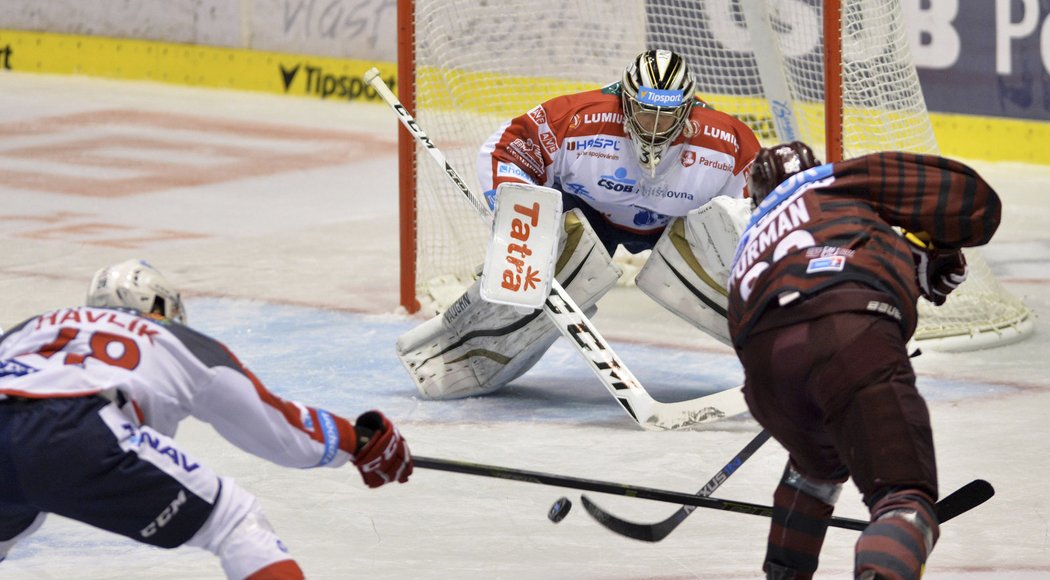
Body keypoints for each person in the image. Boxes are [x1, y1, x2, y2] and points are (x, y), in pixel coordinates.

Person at [0, 259, 412, 579]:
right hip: (80, 427)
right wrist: (361, 442)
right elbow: (279, 429)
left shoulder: (34, 327)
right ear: (159, 306)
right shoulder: (178, 339)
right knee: (234, 522)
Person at [398, 49, 761, 399]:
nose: (653, 126)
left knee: (733, 248)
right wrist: (516, 211)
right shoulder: (578, 117)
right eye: (645, 112)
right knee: (543, 259)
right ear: (625, 101)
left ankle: (782, 356)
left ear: (687, 110)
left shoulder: (726, 140)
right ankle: (466, 353)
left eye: (666, 115)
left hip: (679, 224)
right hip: (590, 215)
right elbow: (507, 150)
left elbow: (759, 205)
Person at [726, 142, 1001, 579]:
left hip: (767, 376)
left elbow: (753, 329)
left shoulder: (748, 245)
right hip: (851, 334)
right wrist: (939, 247)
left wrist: (913, 260)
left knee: (815, 467)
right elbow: (972, 201)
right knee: (904, 499)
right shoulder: (834, 184)